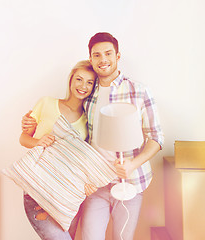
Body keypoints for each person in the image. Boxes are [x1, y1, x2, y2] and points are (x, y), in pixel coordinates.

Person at [79, 32, 164, 240]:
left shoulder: (139, 91)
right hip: (96, 182)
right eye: (97, 55)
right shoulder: (86, 91)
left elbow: (156, 137)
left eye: (108, 53)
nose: (103, 59)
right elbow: (71, 123)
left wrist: (133, 164)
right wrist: (33, 122)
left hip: (130, 182)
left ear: (118, 56)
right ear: (91, 59)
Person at [19, 60, 98, 240]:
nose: (83, 86)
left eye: (89, 82)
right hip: (37, 189)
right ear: (71, 80)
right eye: (79, 79)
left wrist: (87, 182)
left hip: (69, 194)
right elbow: (23, 139)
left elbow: (84, 159)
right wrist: (39, 141)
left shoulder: (88, 120)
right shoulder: (46, 103)